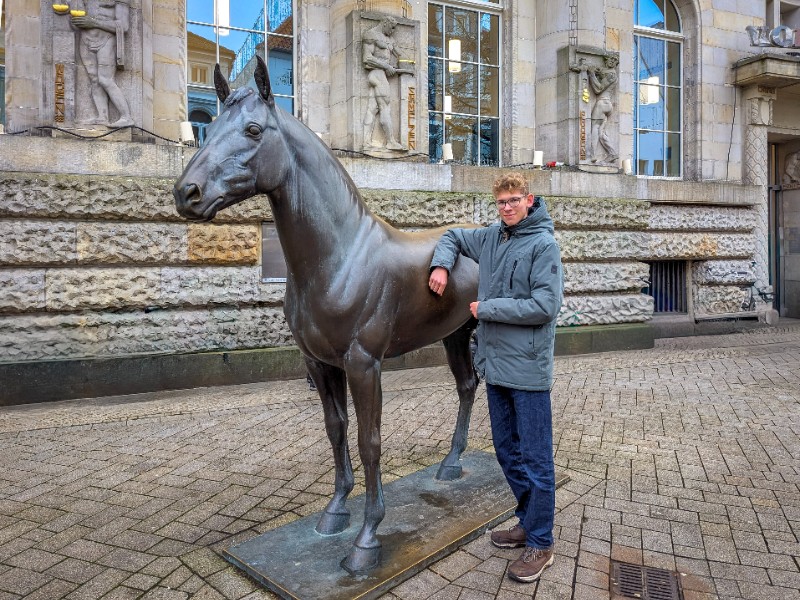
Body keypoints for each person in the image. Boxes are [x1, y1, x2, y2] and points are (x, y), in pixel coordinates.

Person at [428, 172, 563, 583]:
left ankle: (541, 541)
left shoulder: (543, 244)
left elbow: (545, 306)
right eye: (501, 202)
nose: (507, 208)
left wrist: (486, 309)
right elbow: (452, 235)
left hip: (528, 369)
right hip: (496, 367)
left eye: (514, 200)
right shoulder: (491, 237)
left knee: (536, 460)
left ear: (529, 200)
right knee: (507, 452)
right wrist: (441, 266)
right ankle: (527, 519)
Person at [70, 0, 134, 127]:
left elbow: (124, 25)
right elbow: (75, 21)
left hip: (106, 39)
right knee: (94, 80)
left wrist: (94, 22)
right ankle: (102, 117)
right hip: (86, 39)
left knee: (105, 79)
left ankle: (126, 117)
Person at [361, 16, 412, 150]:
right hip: (377, 73)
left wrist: (409, 66)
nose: (393, 31)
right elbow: (367, 58)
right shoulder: (371, 34)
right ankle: (390, 141)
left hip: (380, 74)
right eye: (392, 28)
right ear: (385, 23)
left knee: (372, 109)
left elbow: (400, 54)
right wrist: (386, 67)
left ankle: (366, 142)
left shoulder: (389, 39)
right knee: (385, 107)